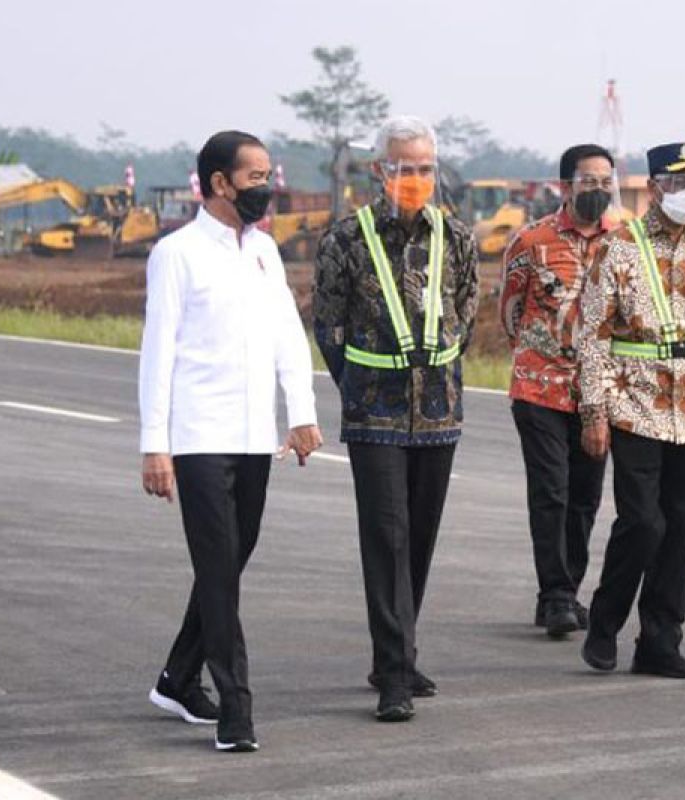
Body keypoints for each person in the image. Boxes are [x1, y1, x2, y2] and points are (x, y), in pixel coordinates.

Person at [139, 130, 322, 752]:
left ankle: (177, 678)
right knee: (218, 571)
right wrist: (153, 445)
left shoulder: (265, 251)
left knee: (229, 564)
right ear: (219, 183)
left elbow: (288, 339)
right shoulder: (178, 253)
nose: (266, 188)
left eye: (268, 175)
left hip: (253, 437)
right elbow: (156, 356)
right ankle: (236, 710)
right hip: (196, 438)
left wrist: (301, 413)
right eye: (254, 178)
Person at [313, 116, 479, 722]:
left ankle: (399, 652)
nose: (416, 178)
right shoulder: (346, 240)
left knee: (421, 537)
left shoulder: (456, 238)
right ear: (381, 170)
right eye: (405, 167)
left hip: (438, 412)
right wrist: (359, 385)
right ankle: (393, 674)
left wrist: (438, 376)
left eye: (426, 167)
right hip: (374, 411)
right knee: (387, 538)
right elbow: (328, 324)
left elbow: (467, 313)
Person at [576, 142, 685, 679]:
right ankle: (604, 623)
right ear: (654, 187)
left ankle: (660, 640)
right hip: (635, 405)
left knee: (681, 529)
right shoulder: (619, 249)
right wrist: (593, 411)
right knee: (643, 523)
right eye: (678, 184)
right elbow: (591, 336)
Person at [500, 144, 617, 638]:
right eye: (588, 181)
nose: (599, 190)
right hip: (540, 387)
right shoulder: (531, 240)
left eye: (606, 180)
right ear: (565, 187)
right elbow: (510, 311)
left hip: (599, 395)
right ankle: (556, 596)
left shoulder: (625, 243)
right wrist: (542, 353)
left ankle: (565, 586)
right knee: (551, 491)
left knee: (586, 497)